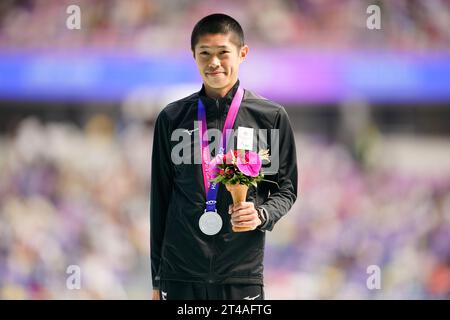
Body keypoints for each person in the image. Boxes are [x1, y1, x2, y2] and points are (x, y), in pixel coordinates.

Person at [150, 13, 298, 300]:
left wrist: (262, 214)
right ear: (193, 56)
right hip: (178, 274)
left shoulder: (270, 117)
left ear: (242, 53)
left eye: (223, 53)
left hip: (241, 273)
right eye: (204, 53)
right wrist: (157, 279)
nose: (214, 62)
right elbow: (160, 200)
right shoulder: (172, 118)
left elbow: (287, 188)